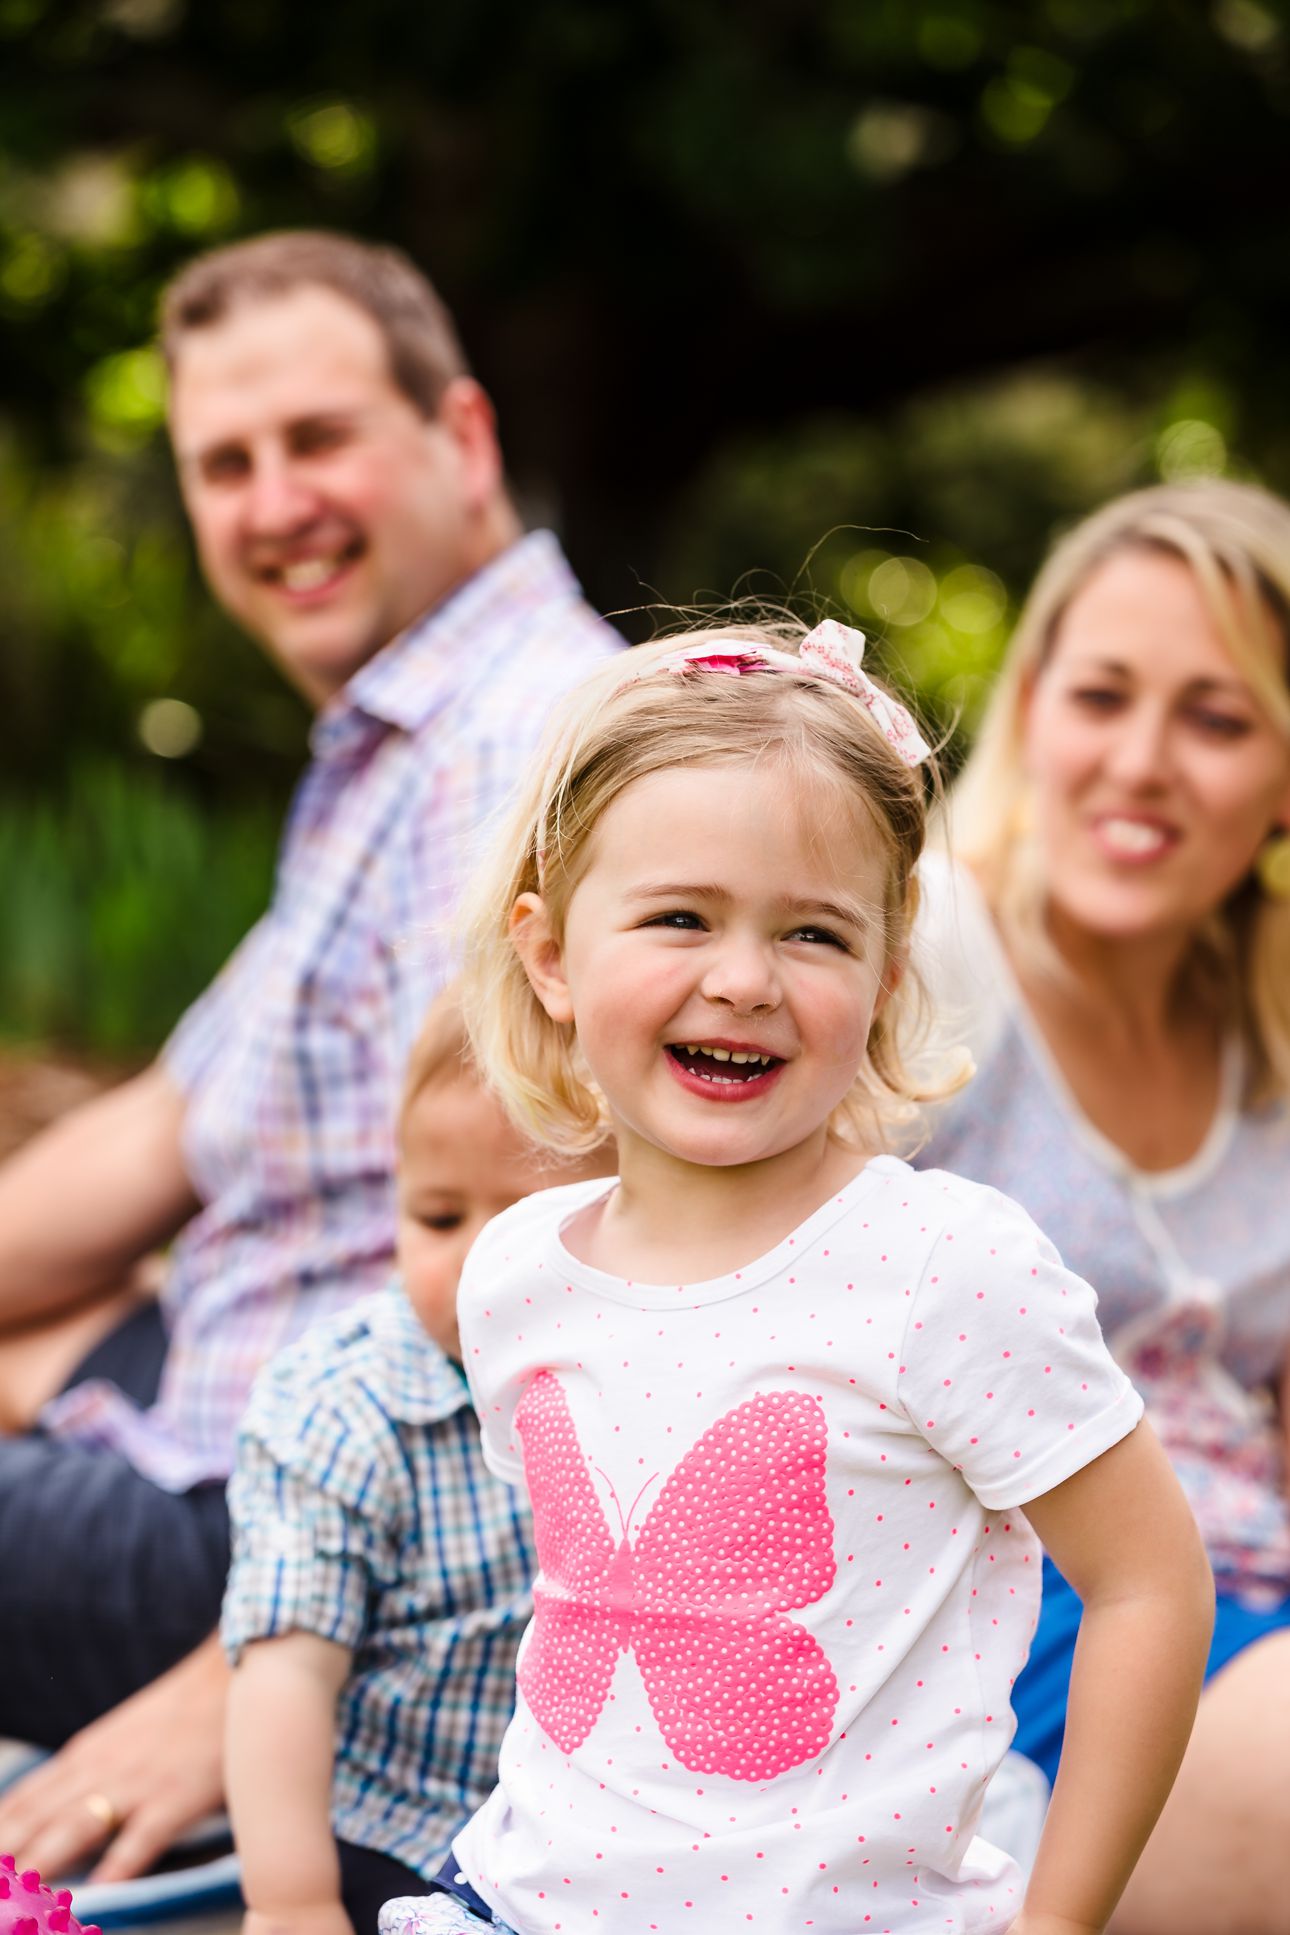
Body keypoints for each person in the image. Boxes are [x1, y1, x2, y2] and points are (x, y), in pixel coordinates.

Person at [378, 619, 1212, 1935]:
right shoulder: (512, 1274)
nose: (742, 978)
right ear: (548, 951)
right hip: (523, 1903)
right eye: (676, 916)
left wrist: (1058, 1919)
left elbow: (1148, 1580)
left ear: (885, 976)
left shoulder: (944, 1267)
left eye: (813, 934)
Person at [0, 230, 620, 1884]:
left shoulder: (538, 764)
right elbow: (165, 1130)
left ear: (463, 440)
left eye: (318, 439)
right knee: (50, 1309)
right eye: (226, 463)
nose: (274, 503)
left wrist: (250, 1670)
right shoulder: (400, 751)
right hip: (221, 1392)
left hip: (312, 1523)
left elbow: (591, 1296)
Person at [914, 478, 1290, 1935]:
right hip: (1033, 1609)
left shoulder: (1267, 1017)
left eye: (1215, 717)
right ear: (1030, 711)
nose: (1140, 762)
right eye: (1100, 696)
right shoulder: (933, 956)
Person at [222, 988, 615, 1935]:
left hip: (589, 1839)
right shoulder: (343, 1409)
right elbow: (285, 1676)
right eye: (437, 1217)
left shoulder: (647, 1379)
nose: (474, 1260)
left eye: (522, 1219)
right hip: (395, 1827)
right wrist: (291, 1900)